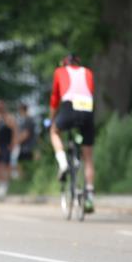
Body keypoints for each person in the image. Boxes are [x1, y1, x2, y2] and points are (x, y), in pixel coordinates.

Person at [49, 53, 96, 214]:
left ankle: (63, 163)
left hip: (69, 106)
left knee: (54, 132)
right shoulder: (88, 72)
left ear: (65, 63)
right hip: (87, 109)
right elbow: (90, 91)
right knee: (88, 156)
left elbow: (55, 99)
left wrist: (52, 118)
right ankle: (90, 197)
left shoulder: (60, 71)